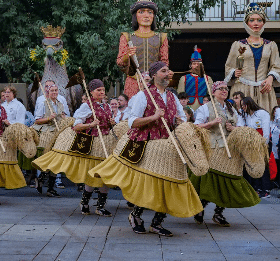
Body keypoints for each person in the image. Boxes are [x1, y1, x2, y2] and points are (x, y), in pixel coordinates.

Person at [89, 62, 210, 237]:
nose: (168, 74)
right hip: (148, 145)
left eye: (168, 71)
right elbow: (132, 122)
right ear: (154, 75)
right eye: (164, 71)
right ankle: (136, 216)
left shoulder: (172, 97)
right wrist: (153, 117)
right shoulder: (142, 96)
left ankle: (157, 223)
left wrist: (179, 122)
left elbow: (182, 118)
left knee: (168, 185)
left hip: (168, 146)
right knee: (152, 185)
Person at [33, 79, 119, 217]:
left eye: (103, 90)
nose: (102, 92)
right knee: (91, 176)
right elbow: (76, 126)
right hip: (93, 145)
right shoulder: (86, 106)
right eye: (98, 90)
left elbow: (109, 125)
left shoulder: (106, 106)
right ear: (91, 92)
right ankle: (85, 202)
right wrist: (91, 125)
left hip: (107, 145)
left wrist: (111, 123)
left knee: (104, 176)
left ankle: (100, 206)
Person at [190, 82, 259, 227]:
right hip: (214, 149)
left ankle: (218, 212)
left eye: (226, 89)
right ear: (213, 92)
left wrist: (232, 128)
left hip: (231, 151)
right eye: (221, 89)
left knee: (229, 181)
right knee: (212, 180)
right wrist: (211, 123)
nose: (224, 91)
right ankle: (200, 208)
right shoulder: (205, 108)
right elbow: (196, 126)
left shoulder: (232, 109)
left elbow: (241, 127)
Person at [225, 3, 280, 113]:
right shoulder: (238, 44)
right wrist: (233, 72)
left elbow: (276, 66)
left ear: (263, 22)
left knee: (264, 122)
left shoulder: (271, 45)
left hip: (264, 90)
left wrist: (270, 78)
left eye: (259, 20)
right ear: (246, 22)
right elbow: (229, 66)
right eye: (252, 20)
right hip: (242, 88)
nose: (256, 23)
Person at [116, 0, 169, 99]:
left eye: (150, 12)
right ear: (135, 16)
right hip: (133, 82)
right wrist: (127, 55)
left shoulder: (161, 37)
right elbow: (120, 62)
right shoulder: (126, 37)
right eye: (141, 12)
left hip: (154, 82)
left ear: (153, 16)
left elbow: (164, 62)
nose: (146, 16)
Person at [32, 84, 72, 196]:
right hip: (48, 130)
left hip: (58, 130)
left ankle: (49, 187)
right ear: (47, 92)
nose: (54, 92)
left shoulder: (60, 103)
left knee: (57, 158)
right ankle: (41, 179)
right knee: (48, 157)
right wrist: (49, 118)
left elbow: (63, 115)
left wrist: (64, 118)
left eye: (56, 90)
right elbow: (37, 120)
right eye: (52, 91)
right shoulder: (43, 103)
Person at [240, 97, 271, 198]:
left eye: (243, 105)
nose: (242, 107)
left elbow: (266, 129)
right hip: (252, 144)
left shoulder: (262, 113)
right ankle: (257, 188)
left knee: (264, 167)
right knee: (254, 166)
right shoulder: (248, 116)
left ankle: (266, 189)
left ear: (249, 104)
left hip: (262, 143)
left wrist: (264, 143)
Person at [177, 46, 213, 111]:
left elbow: (211, 94)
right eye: (194, 63)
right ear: (190, 65)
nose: (196, 65)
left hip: (203, 106)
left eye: (198, 64)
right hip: (188, 106)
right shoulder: (184, 78)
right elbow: (180, 94)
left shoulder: (207, 78)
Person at [270, 106, 280, 190]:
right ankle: (274, 182)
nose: (276, 113)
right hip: (272, 146)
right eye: (275, 111)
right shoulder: (270, 122)